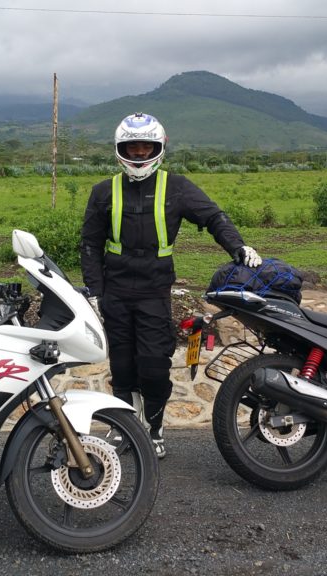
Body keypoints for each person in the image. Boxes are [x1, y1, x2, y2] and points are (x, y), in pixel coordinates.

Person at [80, 112, 261, 458]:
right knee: (122, 368)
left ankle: (155, 428)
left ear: (159, 148)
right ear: (120, 150)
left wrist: (238, 247)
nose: (137, 154)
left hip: (154, 292)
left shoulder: (176, 187)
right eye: (131, 147)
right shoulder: (103, 191)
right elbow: (90, 243)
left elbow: (213, 217)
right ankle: (126, 430)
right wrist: (93, 292)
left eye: (144, 147)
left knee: (152, 366)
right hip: (115, 293)